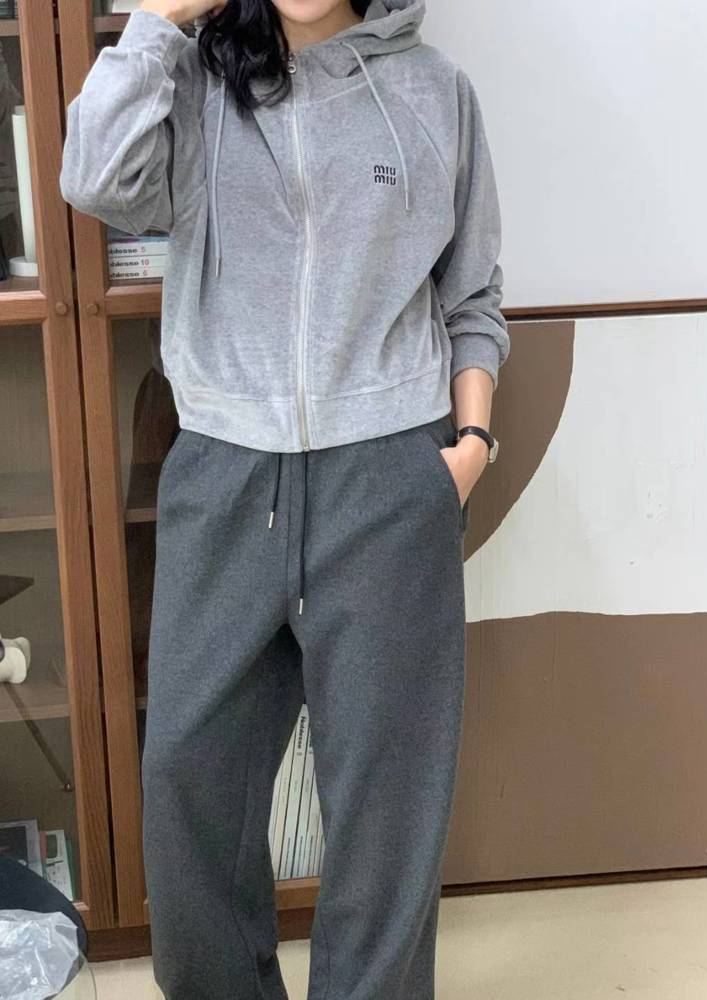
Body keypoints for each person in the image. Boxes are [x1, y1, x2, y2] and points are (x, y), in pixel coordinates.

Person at [59, 0, 510, 996]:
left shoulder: (433, 90)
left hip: (388, 479)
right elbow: (93, 180)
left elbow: (471, 294)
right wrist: (157, 21)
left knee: (386, 808)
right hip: (225, 476)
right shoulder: (193, 84)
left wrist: (470, 446)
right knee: (188, 782)